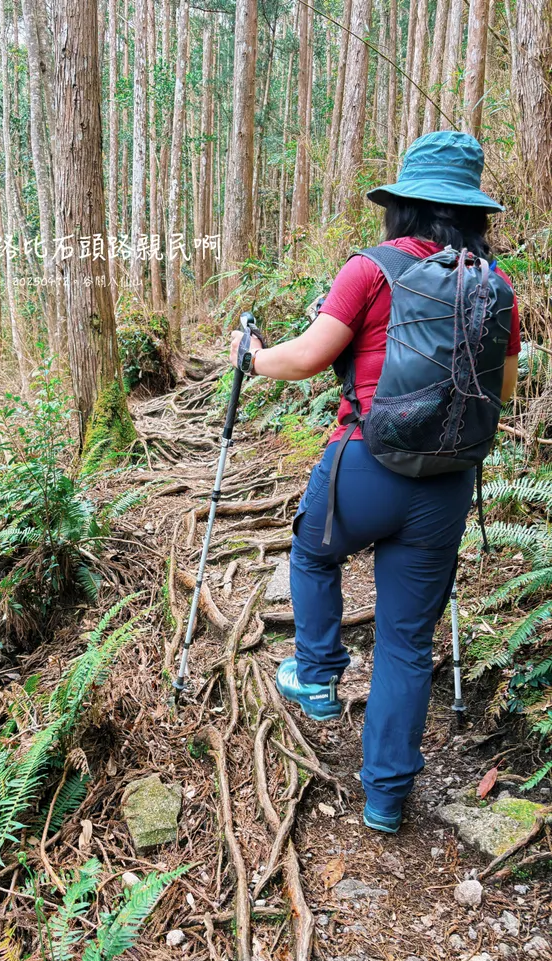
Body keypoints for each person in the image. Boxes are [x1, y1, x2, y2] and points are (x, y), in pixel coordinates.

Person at [228, 131, 520, 835]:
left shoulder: (371, 268)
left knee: (311, 552)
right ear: (472, 211)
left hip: (365, 464)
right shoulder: (497, 287)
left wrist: (252, 356)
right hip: (446, 484)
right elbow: (503, 391)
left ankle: (317, 673)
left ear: (402, 206)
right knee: (405, 643)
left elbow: (307, 358)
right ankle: (386, 798)